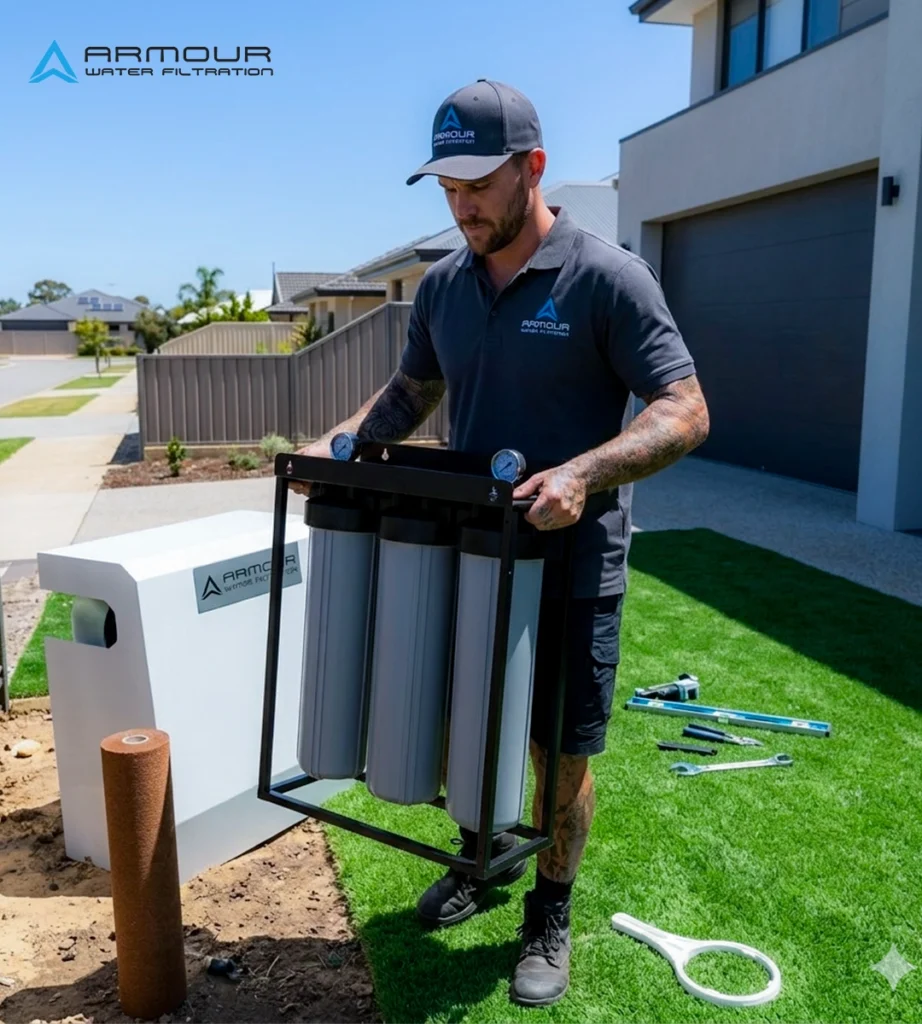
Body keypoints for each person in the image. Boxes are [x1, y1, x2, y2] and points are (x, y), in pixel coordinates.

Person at [294, 79, 709, 1007]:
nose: (462, 204)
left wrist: (582, 473)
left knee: (558, 755)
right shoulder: (441, 285)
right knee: (469, 728)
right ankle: (484, 862)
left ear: (533, 168)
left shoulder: (607, 277)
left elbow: (686, 412)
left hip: (572, 566)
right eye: (447, 187)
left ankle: (548, 909)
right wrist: (339, 446)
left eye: (478, 184)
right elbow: (410, 393)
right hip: (471, 557)